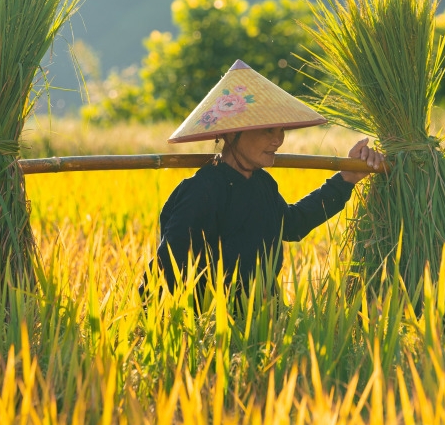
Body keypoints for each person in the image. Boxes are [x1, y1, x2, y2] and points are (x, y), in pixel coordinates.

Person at [153, 60, 384, 295]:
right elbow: (167, 267)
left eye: (280, 130)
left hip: (265, 320)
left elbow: (292, 224)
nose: (278, 140)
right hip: (213, 322)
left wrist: (347, 178)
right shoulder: (201, 191)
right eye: (267, 131)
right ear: (232, 133)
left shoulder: (262, 183)